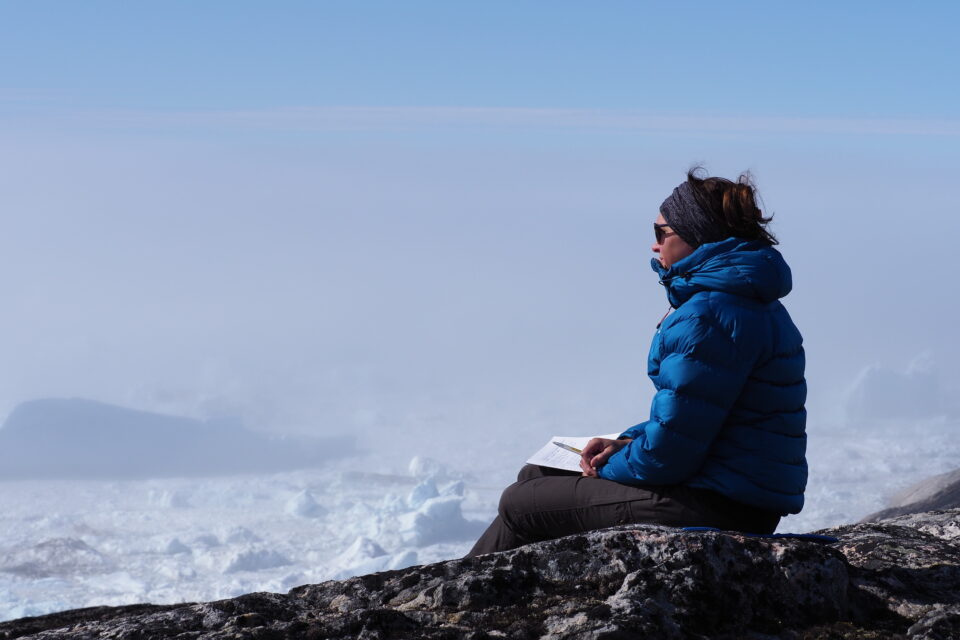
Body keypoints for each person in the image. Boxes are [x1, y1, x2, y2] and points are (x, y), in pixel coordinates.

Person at [466, 168, 807, 557]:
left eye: (662, 233)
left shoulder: (709, 315)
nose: (654, 245)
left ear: (698, 238)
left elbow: (669, 456)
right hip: (736, 494)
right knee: (537, 476)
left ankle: (451, 607)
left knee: (519, 503)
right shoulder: (745, 303)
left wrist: (606, 464)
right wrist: (625, 443)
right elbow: (699, 420)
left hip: (719, 504)